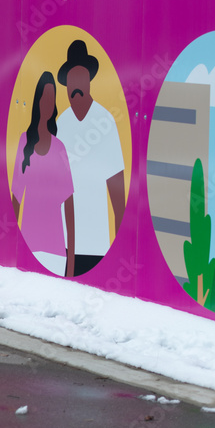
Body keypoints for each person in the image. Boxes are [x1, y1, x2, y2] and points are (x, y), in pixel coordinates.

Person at [56, 39, 126, 276]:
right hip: (62, 243)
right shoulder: (61, 123)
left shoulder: (104, 121)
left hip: (96, 243)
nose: (76, 86)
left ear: (89, 81)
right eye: (72, 81)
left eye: (81, 79)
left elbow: (116, 187)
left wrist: (119, 244)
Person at [10, 71, 76, 277]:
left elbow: (69, 205)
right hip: (27, 244)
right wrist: (11, 245)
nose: (48, 104)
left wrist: (71, 259)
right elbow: (15, 198)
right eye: (44, 98)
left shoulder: (60, 148)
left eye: (51, 99)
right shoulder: (23, 142)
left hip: (55, 247)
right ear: (37, 102)